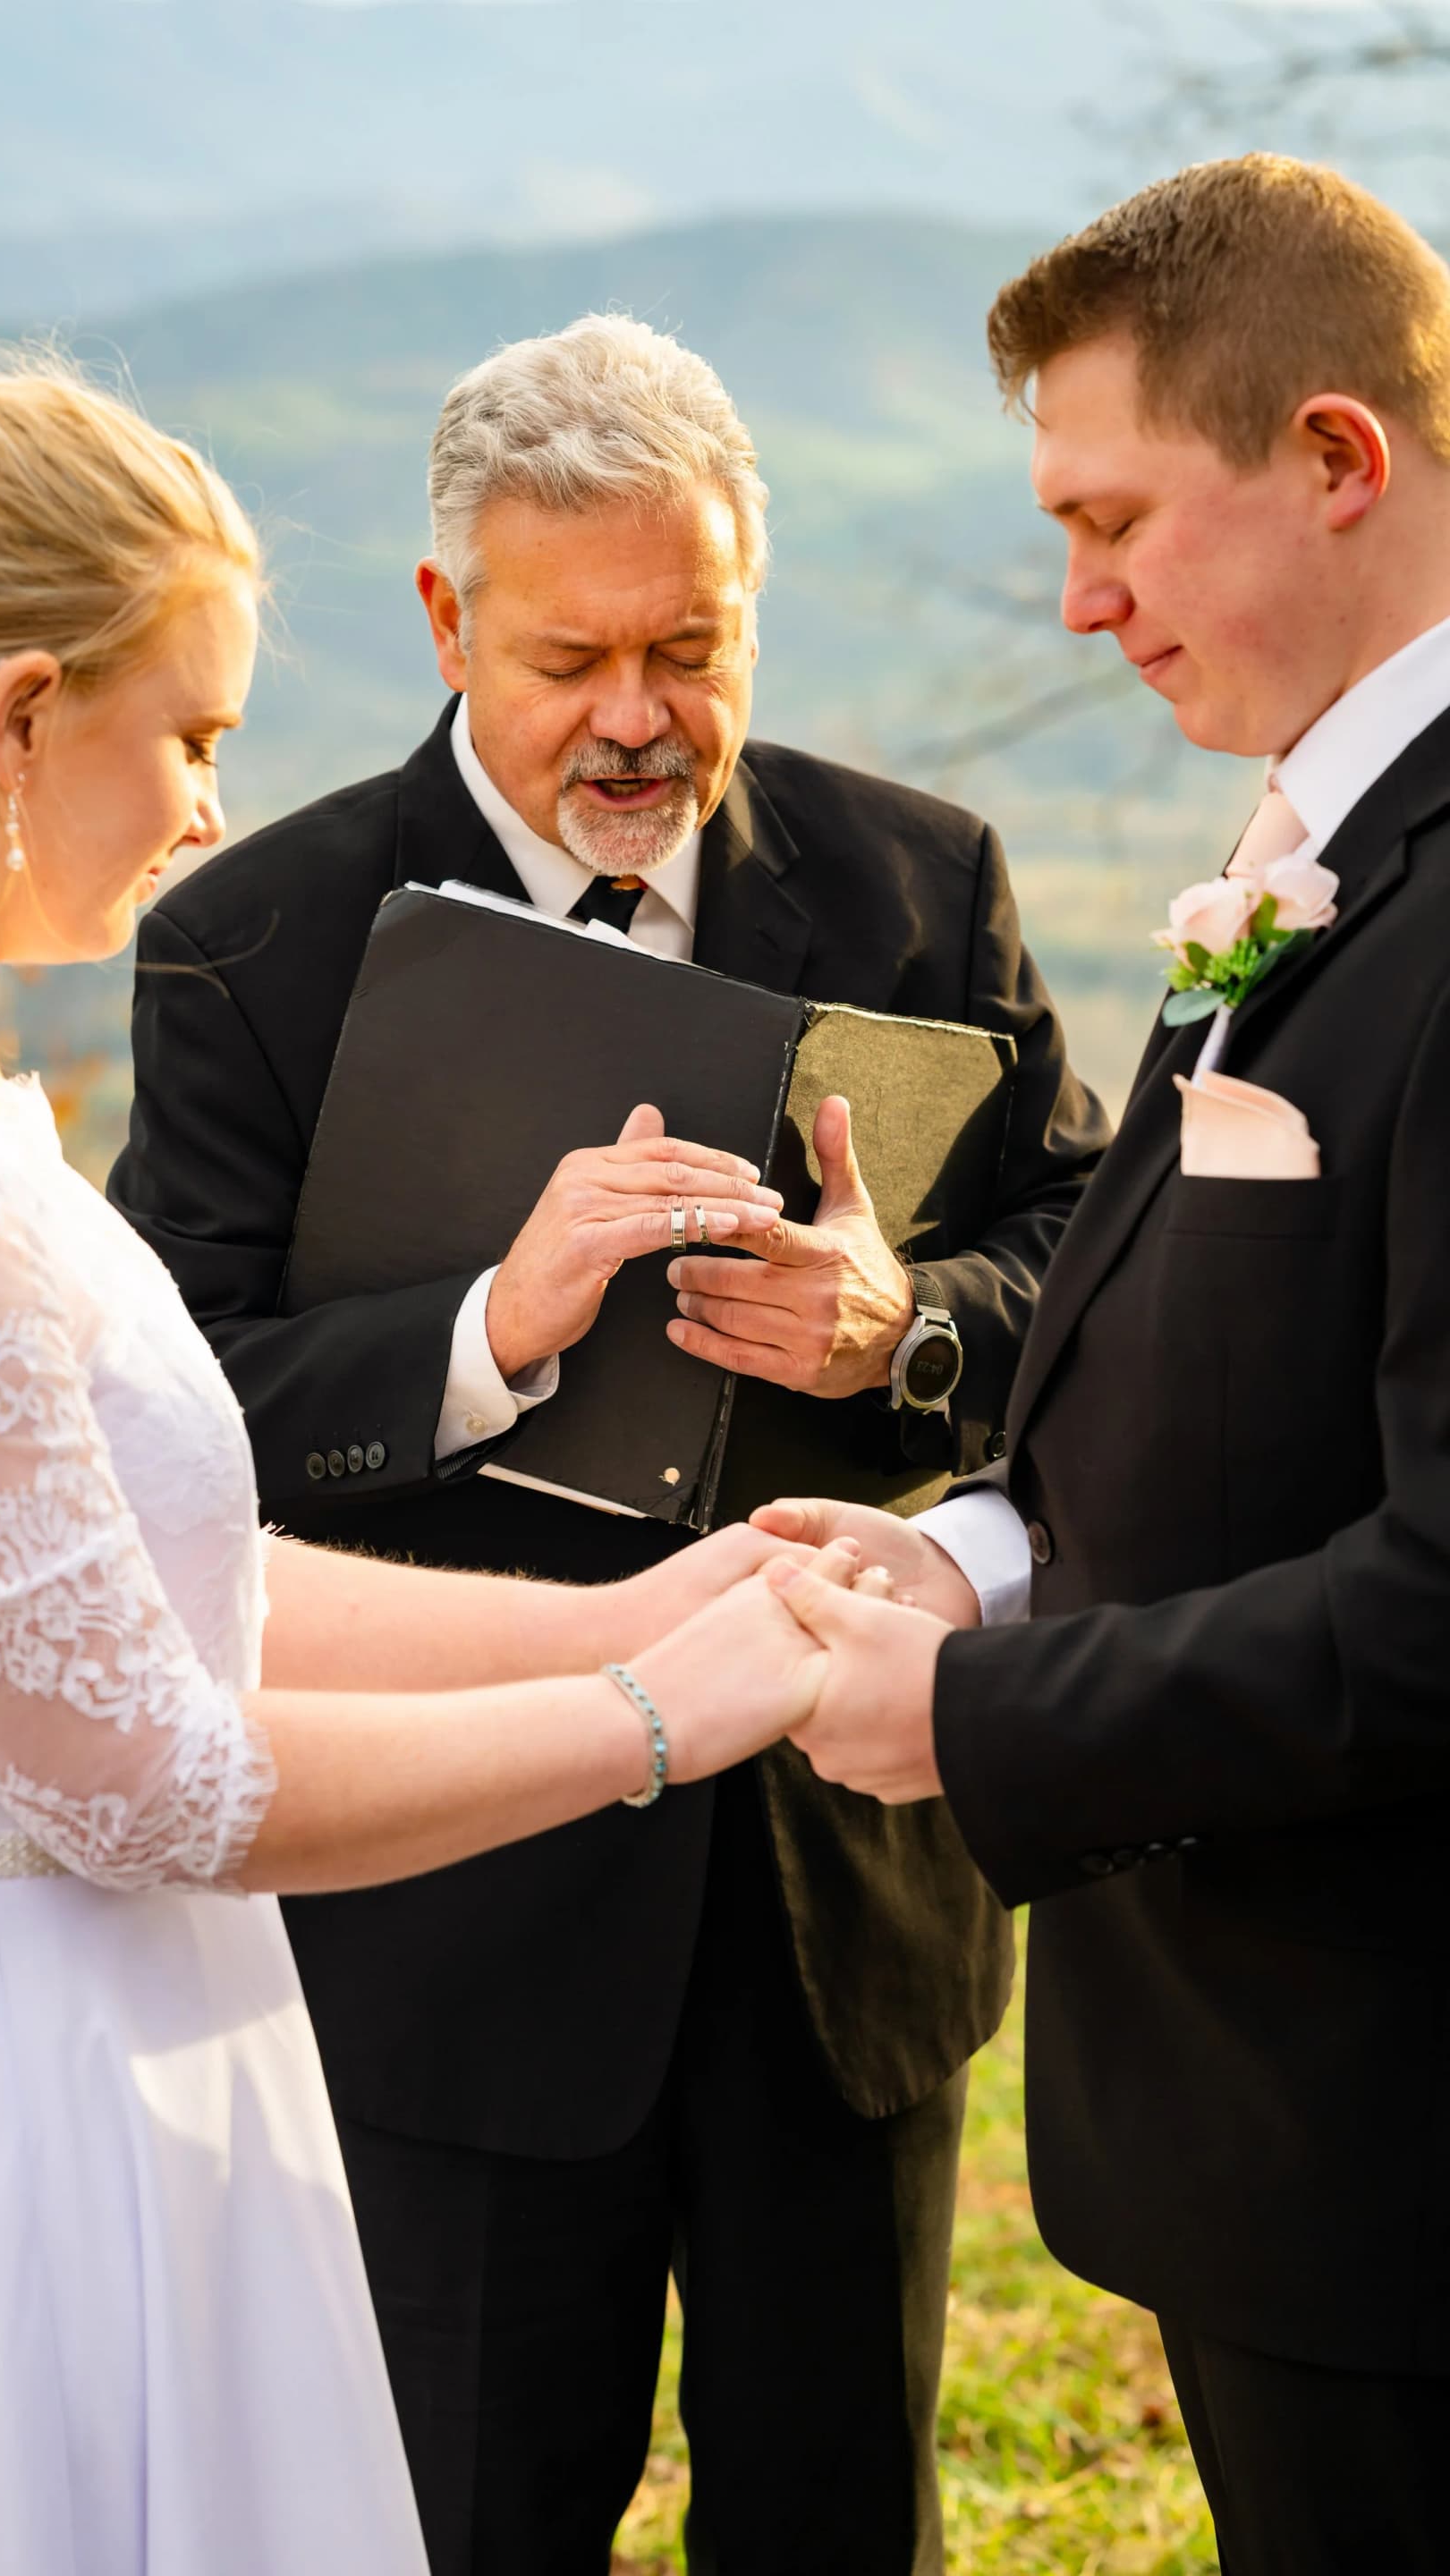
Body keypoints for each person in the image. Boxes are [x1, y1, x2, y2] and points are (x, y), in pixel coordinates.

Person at [0, 359, 848, 2576]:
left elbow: (175, 1575)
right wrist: (647, 1720)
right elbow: (146, 1777)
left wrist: (641, 1602)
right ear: (20, 714)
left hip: (124, 2036)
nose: (212, 809)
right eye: (195, 733)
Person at [107, 314, 1107, 2576]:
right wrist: (480, 1331)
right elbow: (161, 1416)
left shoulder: (916, 883)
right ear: (449, 616)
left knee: (841, 2520)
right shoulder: (250, 946)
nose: (644, 716)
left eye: (695, 642)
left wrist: (905, 1332)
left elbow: (1086, 1256)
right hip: (448, 1942)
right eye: (577, 657)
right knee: (467, 2522)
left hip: (836, 1916)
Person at [759, 157, 1450, 2576]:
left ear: (1339, 460)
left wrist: (970, 1728)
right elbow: (1219, 1368)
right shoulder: (1310, 843)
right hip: (1282, 2138)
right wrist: (972, 1557)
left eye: (1117, 515)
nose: (1083, 599)